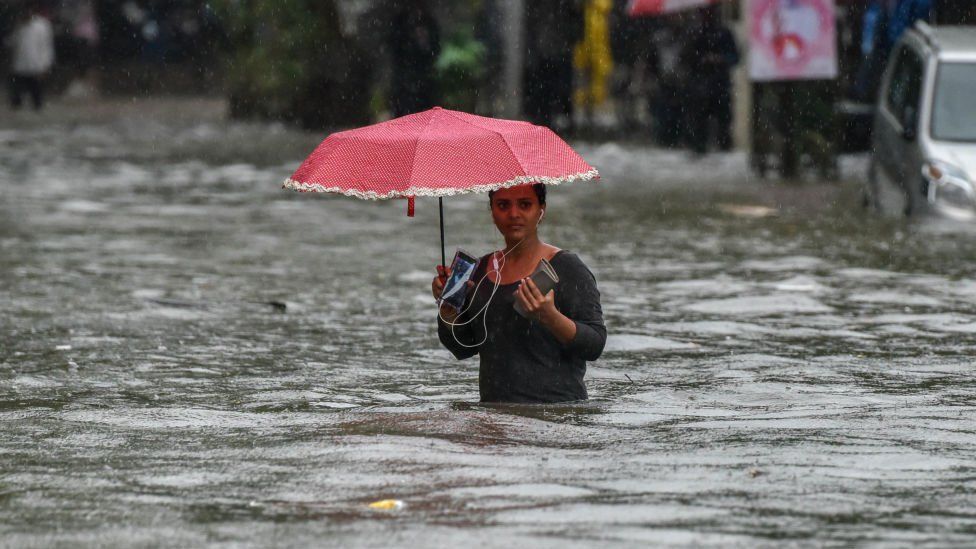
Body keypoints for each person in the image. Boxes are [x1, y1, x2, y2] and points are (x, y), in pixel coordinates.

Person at [430, 183, 606, 404]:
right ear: (492, 211)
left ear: (541, 209)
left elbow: (595, 344)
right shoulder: (481, 270)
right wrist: (448, 313)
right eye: (503, 205)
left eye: (525, 204)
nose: (514, 214)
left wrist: (550, 317)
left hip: (556, 414)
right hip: (495, 415)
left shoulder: (567, 267)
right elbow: (464, 348)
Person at [682, 6, 739, 154]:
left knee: (723, 123)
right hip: (700, 85)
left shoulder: (724, 33)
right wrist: (701, 59)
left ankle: (723, 149)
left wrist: (719, 59)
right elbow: (687, 58)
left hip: (720, 85)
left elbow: (734, 57)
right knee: (699, 123)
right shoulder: (693, 33)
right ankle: (700, 148)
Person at [388, 0, 441, 117]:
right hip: (404, 79)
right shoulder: (400, 21)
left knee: (425, 114)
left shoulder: (428, 21)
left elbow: (435, 48)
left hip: (424, 78)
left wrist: (424, 43)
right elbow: (394, 48)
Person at [6, 5, 55, 111]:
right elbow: (12, 42)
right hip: (20, 65)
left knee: (36, 94)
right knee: (16, 94)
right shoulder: (19, 25)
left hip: (36, 65)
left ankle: (37, 111)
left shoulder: (42, 25)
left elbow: (46, 46)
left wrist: (46, 65)